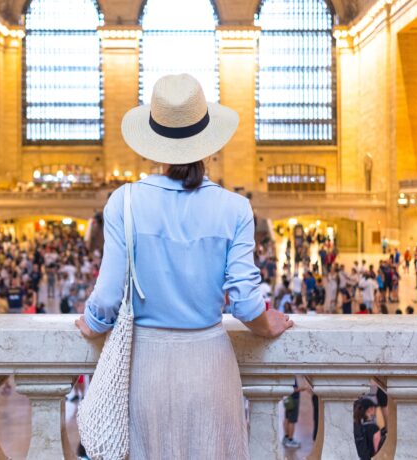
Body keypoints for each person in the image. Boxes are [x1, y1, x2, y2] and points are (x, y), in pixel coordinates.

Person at [74, 74, 293, 459]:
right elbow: (245, 303)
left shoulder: (123, 202)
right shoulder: (235, 208)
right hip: (210, 365)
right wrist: (268, 321)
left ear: (152, 145)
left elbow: (107, 297)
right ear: (208, 145)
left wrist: (92, 322)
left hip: (146, 367)